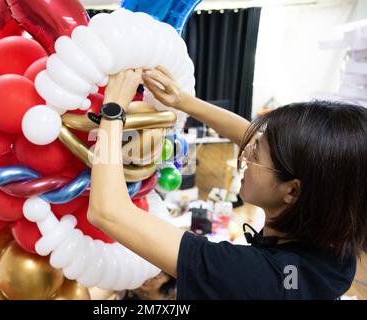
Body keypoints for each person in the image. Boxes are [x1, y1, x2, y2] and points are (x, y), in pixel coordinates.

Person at [86, 67, 367, 299]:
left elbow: (108, 211)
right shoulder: (336, 250)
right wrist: (183, 101)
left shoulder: (249, 276)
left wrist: (112, 111)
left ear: (292, 190)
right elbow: (252, 137)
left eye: (255, 156)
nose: (243, 156)